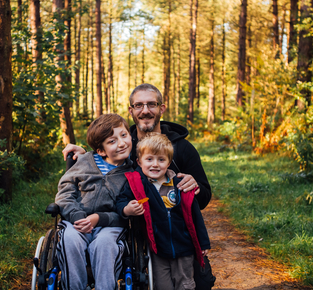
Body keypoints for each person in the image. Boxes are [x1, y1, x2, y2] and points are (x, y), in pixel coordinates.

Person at [63, 83, 211, 210]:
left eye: (152, 104)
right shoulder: (124, 146)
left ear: (162, 109)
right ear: (131, 110)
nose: (145, 111)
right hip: (124, 229)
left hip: (167, 230)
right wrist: (85, 155)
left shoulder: (182, 148)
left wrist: (195, 186)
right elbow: (107, 161)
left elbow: (204, 199)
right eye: (138, 105)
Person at [116, 133, 211, 290]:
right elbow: (121, 201)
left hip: (184, 247)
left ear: (168, 163)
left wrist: (203, 242)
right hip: (157, 249)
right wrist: (128, 209)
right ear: (139, 162)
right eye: (149, 159)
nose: (155, 164)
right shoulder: (137, 185)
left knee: (186, 284)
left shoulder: (180, 185)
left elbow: (195, 214)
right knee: (161, 285)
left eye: (161, 159)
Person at [55, 114, 133, 290]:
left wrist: (99, 218)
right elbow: (64, 192)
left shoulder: (132, 174)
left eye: (124, 135)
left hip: (109, 226)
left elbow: (124, 212)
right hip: (75, 221)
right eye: (112, 141)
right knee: (69, 239)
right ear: (101, 151)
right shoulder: (84, 163)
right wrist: (77, 216)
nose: (121, 143)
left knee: (105, 244)